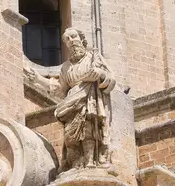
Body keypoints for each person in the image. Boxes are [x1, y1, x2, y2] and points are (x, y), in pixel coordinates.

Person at [26, 27, 116, 171]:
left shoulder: (94, 56)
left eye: (73, 36)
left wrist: (99, 74)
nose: (71, 41)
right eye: (67, 40)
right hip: (71, 101)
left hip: (89, 97)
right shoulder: (66, 67)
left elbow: (110, 79)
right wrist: (38, 79)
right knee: (70, 136)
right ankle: (76, 165)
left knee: (88, 130)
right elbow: (59, 89)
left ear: (81, 38)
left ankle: (90, 162)